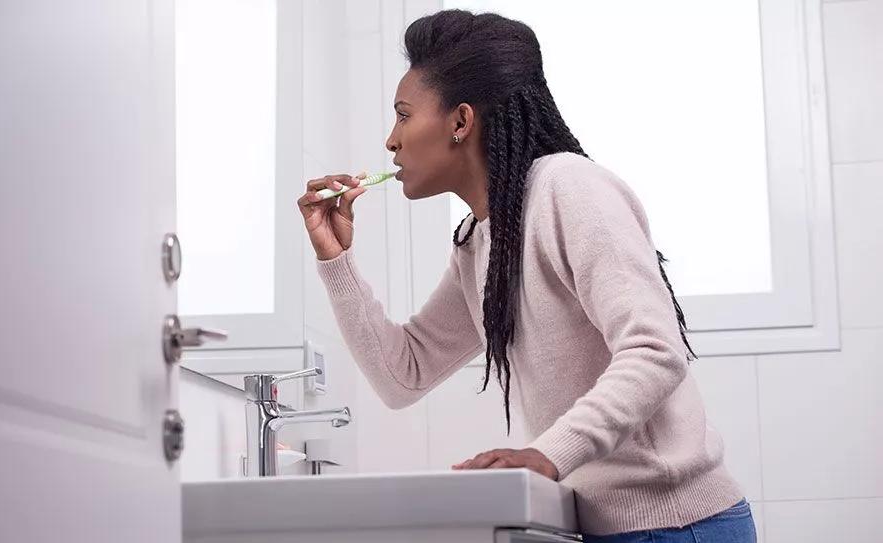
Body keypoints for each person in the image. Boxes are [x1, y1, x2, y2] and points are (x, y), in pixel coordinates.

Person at [296, 9, 756, 543]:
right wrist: (335, 261)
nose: (390, 141)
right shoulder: (483, 238)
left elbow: (655, 350)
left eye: (402, 115)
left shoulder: (570, 189)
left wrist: (546, 453)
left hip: (679, 525)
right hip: (611, 529)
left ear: (460, 122)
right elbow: (404, 375)